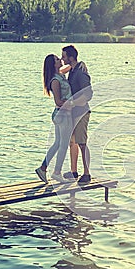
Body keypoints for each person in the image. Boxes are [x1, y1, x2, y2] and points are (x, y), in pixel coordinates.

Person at [35, 54, 74, 184]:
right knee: (63, 145)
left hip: (61, 114)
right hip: (63, 114)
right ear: (53, 65)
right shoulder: (55, 80)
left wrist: (76, 63)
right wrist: (74, 103)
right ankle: (57, 172)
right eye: (58, 59)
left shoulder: (60, 74)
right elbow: (58, 101)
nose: (61, 60)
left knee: (57, 143)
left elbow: (69, 67)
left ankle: (42, 168)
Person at [61, 45, 93, 184]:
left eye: (64, 56)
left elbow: (88, 94)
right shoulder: (74, 69)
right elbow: (62, 69)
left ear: (71, 57)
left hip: (81, 112)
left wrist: (72, 103)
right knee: (72, 142)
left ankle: (87, 173)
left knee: (82, 143)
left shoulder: (80, 73)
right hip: (73, 113)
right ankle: (74, 172)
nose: (62, 58)